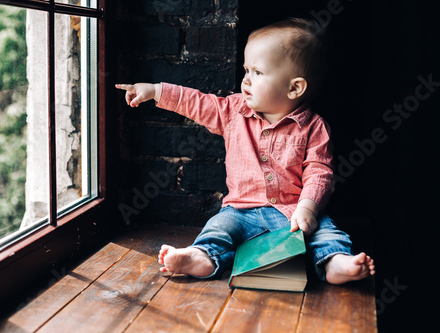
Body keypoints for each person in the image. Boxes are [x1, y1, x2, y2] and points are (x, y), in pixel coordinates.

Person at [116, 18, 375, 285]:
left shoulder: (314, 127)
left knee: (326, 232)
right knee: (218, 228)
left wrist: (308, 208)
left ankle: (336, 262)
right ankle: (199, 256)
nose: (246, 80)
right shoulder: (233, 111)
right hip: (240, 211)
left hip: (293, 211)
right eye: (246, 70)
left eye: (258, 73)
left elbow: (320, 173)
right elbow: (197, 103)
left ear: (294, 87)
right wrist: (156, 91)